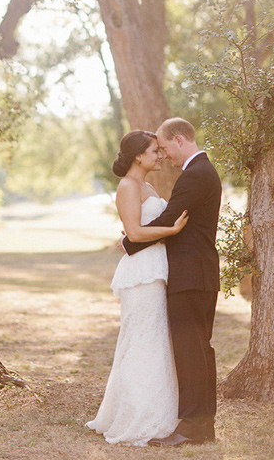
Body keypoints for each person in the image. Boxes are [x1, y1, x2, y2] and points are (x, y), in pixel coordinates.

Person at [122, 117, 222, 447]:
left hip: (191, 275)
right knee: (199, 349)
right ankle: (203, 425)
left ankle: (194, 426)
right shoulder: (200, 171)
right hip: (197, 274)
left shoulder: (195, 174)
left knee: (191, 351)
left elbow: (168, 220)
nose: (164, 155)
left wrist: (129, 242)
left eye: (164, 147)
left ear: (179, 140)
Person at [86, 130, 189, 446]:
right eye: (154, 150)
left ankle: (160, 413)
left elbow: (138, 231)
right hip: (140, 275)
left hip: (156, 269)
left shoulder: (146, 186)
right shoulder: (128, 187)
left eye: (160, 150)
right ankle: (137, 417)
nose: (160, 155)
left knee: (157, 341)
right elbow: (133, 232)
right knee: (141, 341)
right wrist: (171, 230)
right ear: (137, 156)